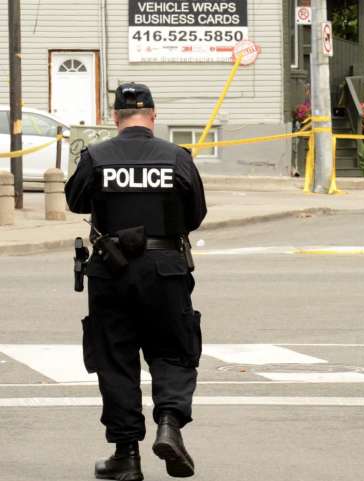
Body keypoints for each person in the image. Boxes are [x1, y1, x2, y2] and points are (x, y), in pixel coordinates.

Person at [66, 82, 207, 480]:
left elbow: (75, 201)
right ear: (154, 116)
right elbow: (195, 214)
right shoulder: (176, 157)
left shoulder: (96, 156)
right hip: (165, 267)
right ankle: (169, 424)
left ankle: (126, 455)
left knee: (116, 360)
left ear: (115, 117)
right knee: (173, 350)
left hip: (111, 270)